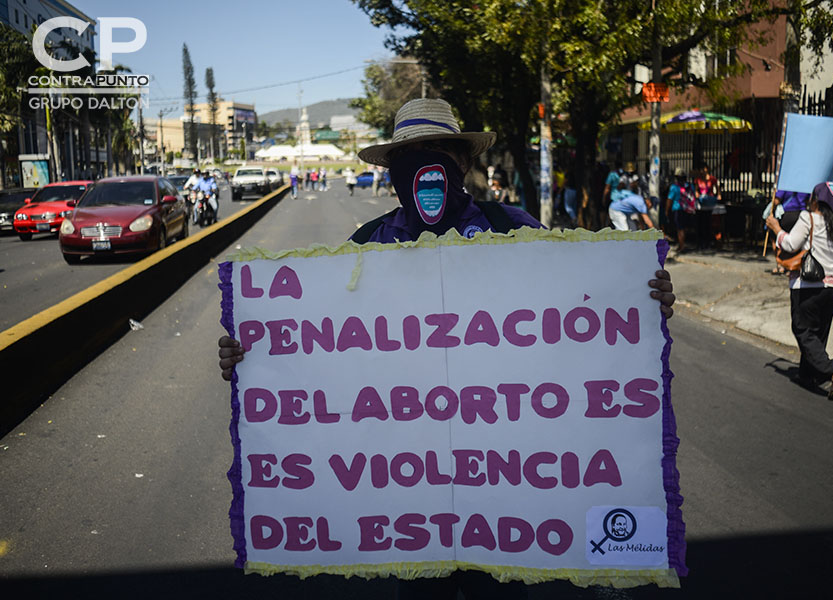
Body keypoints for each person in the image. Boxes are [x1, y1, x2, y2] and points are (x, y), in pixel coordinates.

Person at [217, 97, 676, 597]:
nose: (425, 164)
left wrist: (639, 303)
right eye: (411, 153)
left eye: (438, 150)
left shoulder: (514, 229)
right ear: (393, 170)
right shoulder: (363, 249)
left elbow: (580, 307)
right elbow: (315, 346)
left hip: (501, 486)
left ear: (462, 161)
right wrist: (255, 357)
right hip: (412, 492)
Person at [765, 181, 833, 399]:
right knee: (819, 333)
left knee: (803, 330)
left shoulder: (808, 218)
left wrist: (776, 229)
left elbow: (789, 245)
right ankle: (808, 375)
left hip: (808, 285)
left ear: (816, 201)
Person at [767, 189, 810, 274]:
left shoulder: (785, 184)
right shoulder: (805, 185)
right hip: (800, 214)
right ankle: (793, 266)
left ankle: (780, 264)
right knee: (797, 241)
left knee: (777, 237)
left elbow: (776, 201)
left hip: (786, 213)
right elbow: (809, 201)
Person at [693, 162, 720, 250]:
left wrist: (718, 195)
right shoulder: (698, 180)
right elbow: (696, 190)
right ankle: (699, 242)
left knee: (707, 223)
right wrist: (697, 195)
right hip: (700, 203)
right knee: (700, 223)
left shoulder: (712, 179)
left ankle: (707, 242)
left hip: (709, 203)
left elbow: (717, 189)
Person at [666, 168, 692, 254]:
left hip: (678, 209)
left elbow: (669, 199)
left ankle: (681, 246)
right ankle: (682, 244)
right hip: (688, 209)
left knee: (680, 229)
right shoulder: (690, 186)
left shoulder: (674, 187)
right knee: (684, 228)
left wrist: (667, 210)